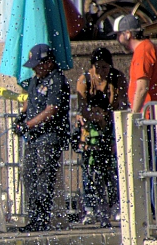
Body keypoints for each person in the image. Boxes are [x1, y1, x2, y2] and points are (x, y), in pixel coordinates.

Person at [13, 43, 71, 232]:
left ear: (49, 62)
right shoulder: (35, 80)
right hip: (33, 137)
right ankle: (33, 218)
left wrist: (28, 124)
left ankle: (42, 220)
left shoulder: (57, 81)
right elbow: (29, 100)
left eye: (38, 64)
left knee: (44, 179)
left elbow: (51, 110)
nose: (36, 69)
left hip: (50, 137)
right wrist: (21, 117)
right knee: (28, 176)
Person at [75, 47, 127, 227]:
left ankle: (115, 205)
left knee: (112, 169)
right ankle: (90, 208)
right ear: (91, 67)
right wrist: (94, 116)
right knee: (89, 169)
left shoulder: (117, 78)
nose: (101, 72)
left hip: (111, 126)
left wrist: (106, 119)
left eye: (105, 67)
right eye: (98, 68)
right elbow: (82, 107)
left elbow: (121, 104)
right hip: (90, 131)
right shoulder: (85, 79)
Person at [114, 13, 157, 113]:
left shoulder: (143, 51)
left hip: (149, 115)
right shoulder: (144, 49)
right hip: (149, 113)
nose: (117, 39)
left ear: (127, 34)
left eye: (118, 35)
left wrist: (134, 115)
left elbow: (142, 88)